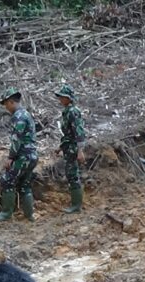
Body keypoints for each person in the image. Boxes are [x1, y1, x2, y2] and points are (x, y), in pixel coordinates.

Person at [0, 87, 38, 223]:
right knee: (25, 184)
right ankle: (29, 215)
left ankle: (6, 213)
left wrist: (11, 157)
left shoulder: (19, 117)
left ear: (11, 102)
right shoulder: (26, 114)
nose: (6, 108)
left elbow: (17, 140)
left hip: (23, 156)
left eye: (6, 104)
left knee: (7, 180)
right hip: (32, 155)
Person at [54, 84, 86, 213]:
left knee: (73, 174)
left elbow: (79, 132)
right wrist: (60, 147)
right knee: (70, 173)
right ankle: (75, 204)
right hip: (68, 146)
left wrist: (80, 150)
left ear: (68, 98)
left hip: (73, 148)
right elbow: (68, 134)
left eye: (62, 97)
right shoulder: (67, 111)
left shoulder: (73, 112)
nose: (60, 99)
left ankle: (76, 205)